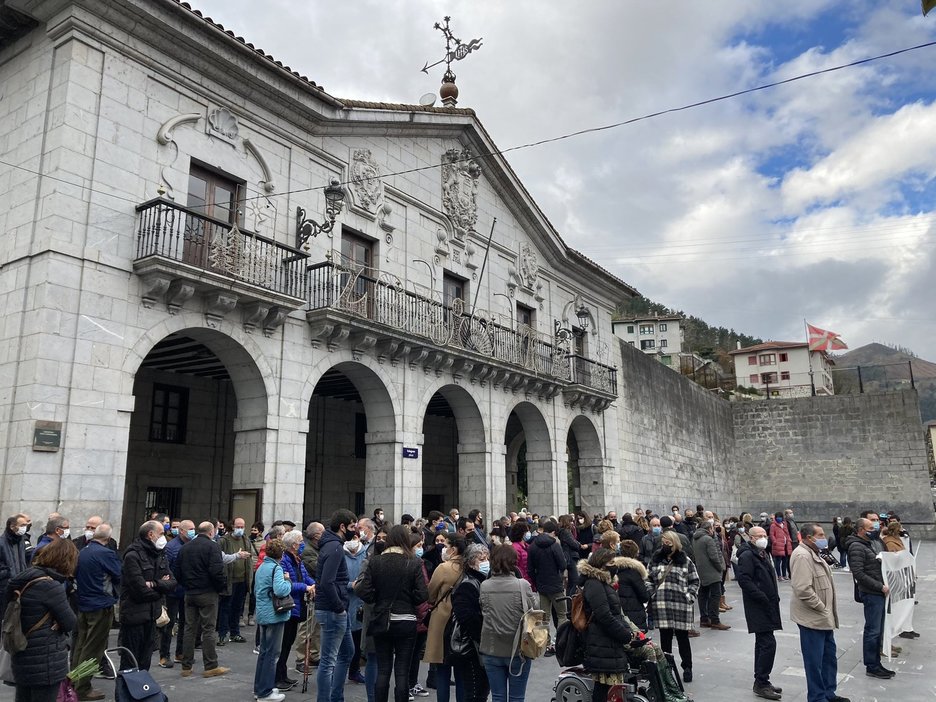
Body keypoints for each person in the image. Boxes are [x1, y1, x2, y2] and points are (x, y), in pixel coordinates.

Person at [354, 525, 428, 702]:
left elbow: (362, 590)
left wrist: (377, 598)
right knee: (402, 670)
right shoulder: (414, 562)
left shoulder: (376, 561)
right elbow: (422, 595)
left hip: (382, 619)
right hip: (406, 620)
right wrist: (409, 598)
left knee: (383, 669)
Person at [7, 538, 78, 702]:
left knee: (23, 697)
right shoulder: (50, 586)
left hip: (22, 653)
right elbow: (70, 622)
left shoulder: (23, 578)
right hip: (45, 659)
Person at [790, 524, 849, 702]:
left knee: (829, 659)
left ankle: (828, 693)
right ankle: (817, 697)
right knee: (814, 662)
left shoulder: (815, 553)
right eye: (821, 534)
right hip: (812, 618)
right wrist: (821, 607)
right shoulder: (802, 556)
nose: (825, 537)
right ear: (809, 537)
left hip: (824, 617)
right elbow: (802, 589)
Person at [479, 544, 536, 702]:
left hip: (491, 648)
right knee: (517, 697)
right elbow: (534, 610)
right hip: (518, 648)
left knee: (497, 696)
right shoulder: (522, 585)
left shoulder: (485, 586)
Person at [578, 548, 636, 702]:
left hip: (607, 641)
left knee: (605, 687)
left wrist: (628, 631)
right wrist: (625, 635)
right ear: (602, 565)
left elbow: (614, 613)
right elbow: (604, 616)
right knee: (603, 688)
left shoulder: (601, 583)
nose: (614, 565)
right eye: (611, 563)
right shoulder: (594, 584)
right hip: (602, 642)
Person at [118, 519, 176, 672]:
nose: (164, 536)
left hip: (152, 616)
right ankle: (126, 694)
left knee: (145, 662)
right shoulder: (133, 555)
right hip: (134, 617)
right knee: (130, 663)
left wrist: (154, 584)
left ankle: (142, 694)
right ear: (151, 534)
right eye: (161, 533)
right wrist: (160, 589)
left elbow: (172, 582)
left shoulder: (159, 555)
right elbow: (140, 591)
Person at [72, 522, 121, 701]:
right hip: (100, 605)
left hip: (84, 603)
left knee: (81, 644)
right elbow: (118, 574)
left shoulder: (83, 552)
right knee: (94, 648)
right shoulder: (106, 553)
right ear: (108, 539)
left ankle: (74, 680)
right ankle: (82, 687)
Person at [315, 508, 358, 702]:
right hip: (333, 610)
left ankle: (336, 697)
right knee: (328, 661)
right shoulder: (334, 547)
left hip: (336, 608)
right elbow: (326, 581)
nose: (354, 531)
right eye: (351, 527)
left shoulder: (332, 545)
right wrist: (339, 607)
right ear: (342, 527)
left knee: (347, 652)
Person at [177, 521, 229, 678]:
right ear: (211, 532)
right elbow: (216, 571)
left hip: (190, 592)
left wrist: (187, 584)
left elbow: (177, 571)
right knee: (208, 629)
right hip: (207, 592)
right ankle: (210, 665)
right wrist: (220, 587)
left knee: (189, 628)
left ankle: (186, 666)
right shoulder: (212, 547)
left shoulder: (185, 547)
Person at [736, 526, 782, 700]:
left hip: (767, 604)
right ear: (751, 538)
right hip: (759, 606)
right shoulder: (748, 555)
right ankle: (761, 682)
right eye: (759, 536)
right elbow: (744, 580)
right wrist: (761, 596)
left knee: (763, 643)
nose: (763, 538)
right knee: (768, 644)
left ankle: (762, 680)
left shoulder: (762, 553)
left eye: (765, 535)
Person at [647, 530, 699, 683]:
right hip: (662, 604)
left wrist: (689, 596)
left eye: (669, 541)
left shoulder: (686, 561)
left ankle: (687, 667)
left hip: (681, 604)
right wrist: (652, 593)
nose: (666, 544)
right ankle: (667, 668)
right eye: (663, 541)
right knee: (665, 638)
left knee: (683, 637)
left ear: (675, 542)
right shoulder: (655, 560)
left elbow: (695, 581)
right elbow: (648, 578)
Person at [846, 517, 894, 679]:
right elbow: (858, 573)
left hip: (878, 592)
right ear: (860, 530)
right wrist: (879, 586)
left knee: (878, 629)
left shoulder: (869, 544)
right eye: (870, 527)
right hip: (872, 593)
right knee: (873, 631)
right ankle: (872, 666)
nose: (874, 529)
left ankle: (876, 663)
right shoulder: (857, 546)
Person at [423, 533, 467, 701]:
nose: (444, 549)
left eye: (446, 545)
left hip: (442, 619)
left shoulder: (443, 568)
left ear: (453, 549)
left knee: (442, 668)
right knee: (461, 669)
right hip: (462, 619)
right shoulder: (469, 567)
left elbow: (431, 593)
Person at [276, 530, 316, 691]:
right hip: (288, 607)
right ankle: (278, 676)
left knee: (288, 642)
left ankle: (282, 674)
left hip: (296, 607)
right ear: (293, 545)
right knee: (284, 643)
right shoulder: (285, 560)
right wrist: (306, 587)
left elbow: (304, 576)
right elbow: (288, 585)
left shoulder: (297, 560)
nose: (302, 545)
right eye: (300, 542)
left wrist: (314, 585)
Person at [450, 543, 490, 702]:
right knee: (475, 691)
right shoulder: (468, 584)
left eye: (487, 558)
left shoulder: (480, 580)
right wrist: (482, 636)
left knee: (481, 690)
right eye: (482, 559)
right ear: (471, 561)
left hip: (476, 644)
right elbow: (466, 617)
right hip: (470, 646)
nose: (486, 562)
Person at [254, 538, 291, 702]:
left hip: (262, 613)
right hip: (274, 615)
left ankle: (260, 688)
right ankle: (265, 692)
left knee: (264, 653)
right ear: (281, 554)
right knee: (272, 654)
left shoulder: (262, 566)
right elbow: (280, 590)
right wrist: (288, 580)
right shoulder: (276, 568)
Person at [527, 519, 567, 647]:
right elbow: (562, 564)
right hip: (556, 584)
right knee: (562, 614)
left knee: (545, 617)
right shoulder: (555, 545)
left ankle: (546, 643)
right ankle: (561, 641)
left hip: (542, 585)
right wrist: (560, 575)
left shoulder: (533, 546)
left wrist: (536, 581)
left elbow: (530, 569)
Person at [160, 519, 193, 668]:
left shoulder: (190, 544)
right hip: (173, 590)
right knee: (170, 623)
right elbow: (168, 568)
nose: (193, 531)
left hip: (186, 589)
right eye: (190, 529)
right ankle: (164, 655)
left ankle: (180, 652)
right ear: (181, 530)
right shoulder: (172, 547)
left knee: (185, 623)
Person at [295, 521, 325, 672]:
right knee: (306, 627)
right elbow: (317, 568)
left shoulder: (318, 549)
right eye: (322, 532)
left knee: (316, 627)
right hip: (310, 593)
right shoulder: (308, 551)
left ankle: (314, 655)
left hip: (317, 591)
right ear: (315, 535)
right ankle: (301, 658)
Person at [218, 516, 252, 645]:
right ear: (232, 526)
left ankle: (235, 633)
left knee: (238, 608)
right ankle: (222, 635)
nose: (240, 529)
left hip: (242, 579)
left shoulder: (245, 539)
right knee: (226, 607)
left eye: (242, 527)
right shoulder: (224, 541)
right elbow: (220, 558)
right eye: (238, 526)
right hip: (229, 579)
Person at [692, 518, 729, 630]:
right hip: (712, 571)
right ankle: (715, 620)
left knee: (703, 595)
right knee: (715, 595)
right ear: (709, 529)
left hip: (701, 570)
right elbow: (714, 556)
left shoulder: (695, 539)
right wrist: (720, 567)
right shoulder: (708, 539)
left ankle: (704, 619)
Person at [343, 528, 368, 684]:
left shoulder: (365, 555)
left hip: (360, 603)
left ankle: (354, 670)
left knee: (358, 640)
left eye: (356, 537)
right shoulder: (340, 555)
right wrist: (350, 585)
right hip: (344, 601)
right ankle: (340, 669)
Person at [613, 540, 650, 631]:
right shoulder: (633, 572)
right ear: (635, 554)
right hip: (633, 614)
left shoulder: (612, 569)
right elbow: (644, 596)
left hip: (617, 613)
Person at [0, 513, 29, 612]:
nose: (25, 528)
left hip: (20, 586)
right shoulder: (2, 543)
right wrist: (7, 574)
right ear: (12, 526)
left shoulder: (21, 541)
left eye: (26, 525)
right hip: (5, 588)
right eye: (22, 525)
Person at [558, 514, 582, 596]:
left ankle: (569, 601)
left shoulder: (564, 531)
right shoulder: (566, 532)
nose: (572, 523)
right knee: (574, 580)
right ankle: (571, 601)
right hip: (570, 557)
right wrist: (579, 545)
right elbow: (574, 544)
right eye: (571, 521)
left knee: (571, 582)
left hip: (569, 555)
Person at [769, 513, 792, 581]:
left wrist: (789, 539)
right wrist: (775, 541)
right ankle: (779, 575)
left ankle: (784, 574)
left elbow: (787, 533)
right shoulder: (773, 525)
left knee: (785, 560)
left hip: (785, 544)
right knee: (778, 561)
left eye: (780, 517)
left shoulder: (784, 524)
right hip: (778, 545)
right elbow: (771, 534)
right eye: (778, 517)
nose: (779, 518)